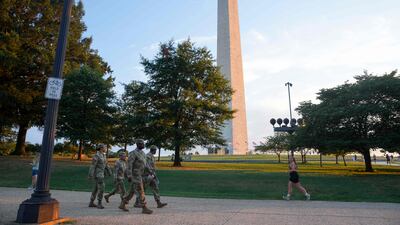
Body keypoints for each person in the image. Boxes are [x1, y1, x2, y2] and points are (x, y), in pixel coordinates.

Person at [120, 139, 153, 214]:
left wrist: (150, 170)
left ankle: (123, 204)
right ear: (138, 144)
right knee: (141, 190)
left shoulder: (143, 153)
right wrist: (129, 175)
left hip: (140, 174)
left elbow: (145, 163)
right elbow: (129, 165)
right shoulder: (133, 153)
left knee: (131, 191)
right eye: (142, 144)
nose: (143, 145)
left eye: (143, 144)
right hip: (135, 174)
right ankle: (144, 207)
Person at [88, 144, 111, 209]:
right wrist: (90, 175)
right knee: (102, 188)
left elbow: (106, 164)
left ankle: (91, 202)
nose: (106, 148)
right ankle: (99, 203)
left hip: (102, 174)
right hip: (98, 175)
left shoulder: (103, 155)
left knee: (95, 188)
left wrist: (109, 171)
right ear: (101, 148)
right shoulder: (96, 155)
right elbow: (93, 166)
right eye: (105, 147)